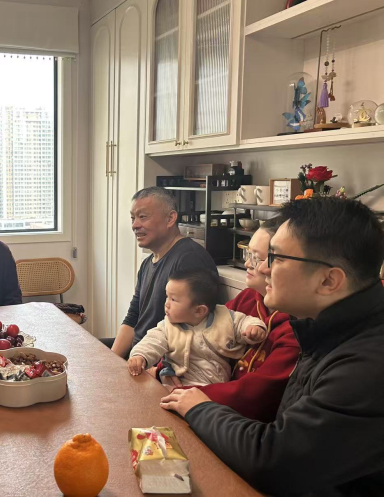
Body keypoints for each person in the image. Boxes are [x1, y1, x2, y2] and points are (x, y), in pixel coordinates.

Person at [160, 198, 384, 495]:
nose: (263, 268)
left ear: (329, 280)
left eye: (275, 258)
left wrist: (199, 407)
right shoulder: (321, 329)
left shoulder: (367, 363)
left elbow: (274, 458)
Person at [155, 218, 300, 422]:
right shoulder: (249, 298)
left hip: (237, 418)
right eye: (248, 254)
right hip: (205, 397)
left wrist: (186, 393)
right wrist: (166, 367)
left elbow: (255, 392)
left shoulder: (295, 327)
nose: (247, 263)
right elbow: (197, 331)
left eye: (256, 258)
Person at [102, 187, 217, 359]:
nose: (135, 225)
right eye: (133, 218)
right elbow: (133, 318)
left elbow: (192, 332)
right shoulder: (147, 263)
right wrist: (112, 361)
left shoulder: (189, 259)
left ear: (170, 218)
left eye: (143, 217)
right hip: (138, 354)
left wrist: (155, 369)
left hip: (158, 361)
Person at [128, 268, 267, 387]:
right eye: (167, 297)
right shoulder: (168, 327)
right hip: (178, 386)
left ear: (199, 310)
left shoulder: (225, 318)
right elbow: (152, 341)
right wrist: (140, 356)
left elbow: (243, 322)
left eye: (173, 299)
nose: (166, 304)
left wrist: (254, 328)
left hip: (215, 390)